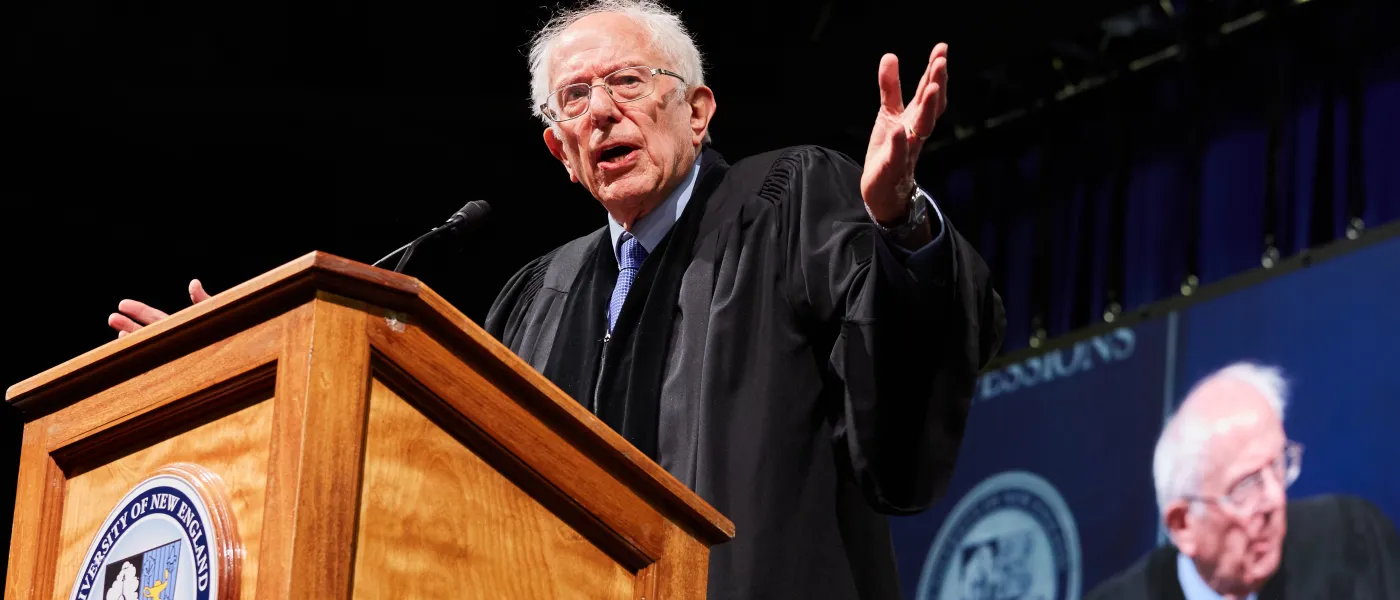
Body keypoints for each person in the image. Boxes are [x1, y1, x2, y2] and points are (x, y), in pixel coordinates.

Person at [107, 1, 1007, 597]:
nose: (603, 111)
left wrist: (899, 223)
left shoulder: (789, 198)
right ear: (557, 152)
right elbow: (434, 486)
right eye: (574, 98)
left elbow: (902, 378)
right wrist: (246, 377)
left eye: (627, 82)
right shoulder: (537, 296)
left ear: (698, 110)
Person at [1086, 362, 1400, 600]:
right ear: (1183, 524)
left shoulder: (1352, 541)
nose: (1275, 499)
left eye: (1278, 464)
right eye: (1246, 486)